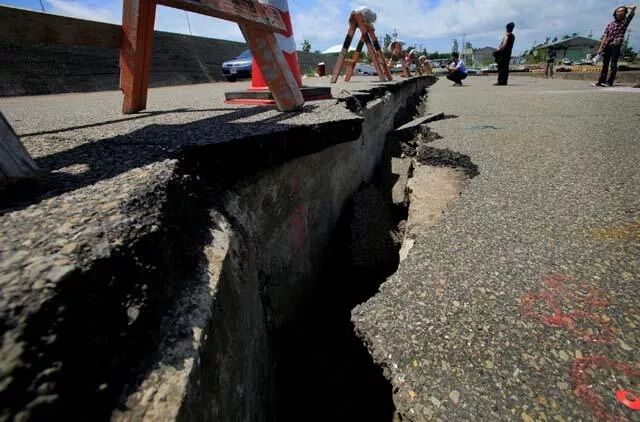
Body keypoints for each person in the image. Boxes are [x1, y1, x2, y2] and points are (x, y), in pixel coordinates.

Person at [593, 5, 636, 87]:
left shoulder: (625, 22)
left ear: (625, 13)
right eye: (618, 11)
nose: (620, 12)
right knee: (605, 64)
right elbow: (605, 36)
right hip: (607, 45)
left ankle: (609, 82)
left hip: (616, 45)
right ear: (615, 13)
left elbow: (634, 8)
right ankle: (601, 81)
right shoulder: (610, 24)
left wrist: (625, 6)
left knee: (613, 64)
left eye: (622, 11)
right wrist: (600, 48)